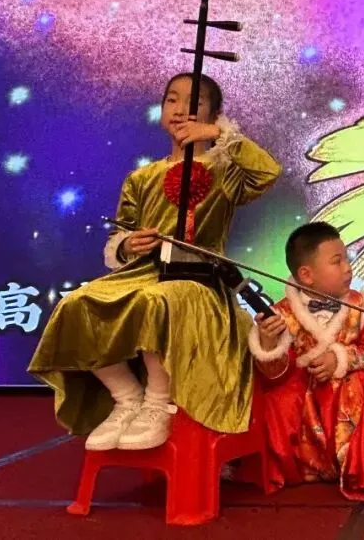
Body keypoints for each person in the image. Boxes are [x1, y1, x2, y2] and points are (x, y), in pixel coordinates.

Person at [28, 73, 282, 451]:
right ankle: (127, 398)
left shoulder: (225, 170)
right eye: (171, 100)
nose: (180, 110)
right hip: (145, 272)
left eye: (194, 103)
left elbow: (267, 172)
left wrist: (218, 134)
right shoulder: (141, 177)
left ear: (213, 114)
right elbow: (122, 232)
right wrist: (129, 244)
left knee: (155, 301)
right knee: (77, 304)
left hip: (200, 282)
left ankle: (158, 404)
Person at [249, 221, 364, 501]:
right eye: (337, 262)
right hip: (305, 405)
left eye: (346, 259)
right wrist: (268, 344)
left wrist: (340, 359)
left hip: (344, 395)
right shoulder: (282, 314)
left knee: (363, 382)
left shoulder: (361, 307)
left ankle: (354, 464)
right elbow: (274, 376)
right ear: (306, 275)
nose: (347, 268)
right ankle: (302, 464)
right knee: (277, 397)